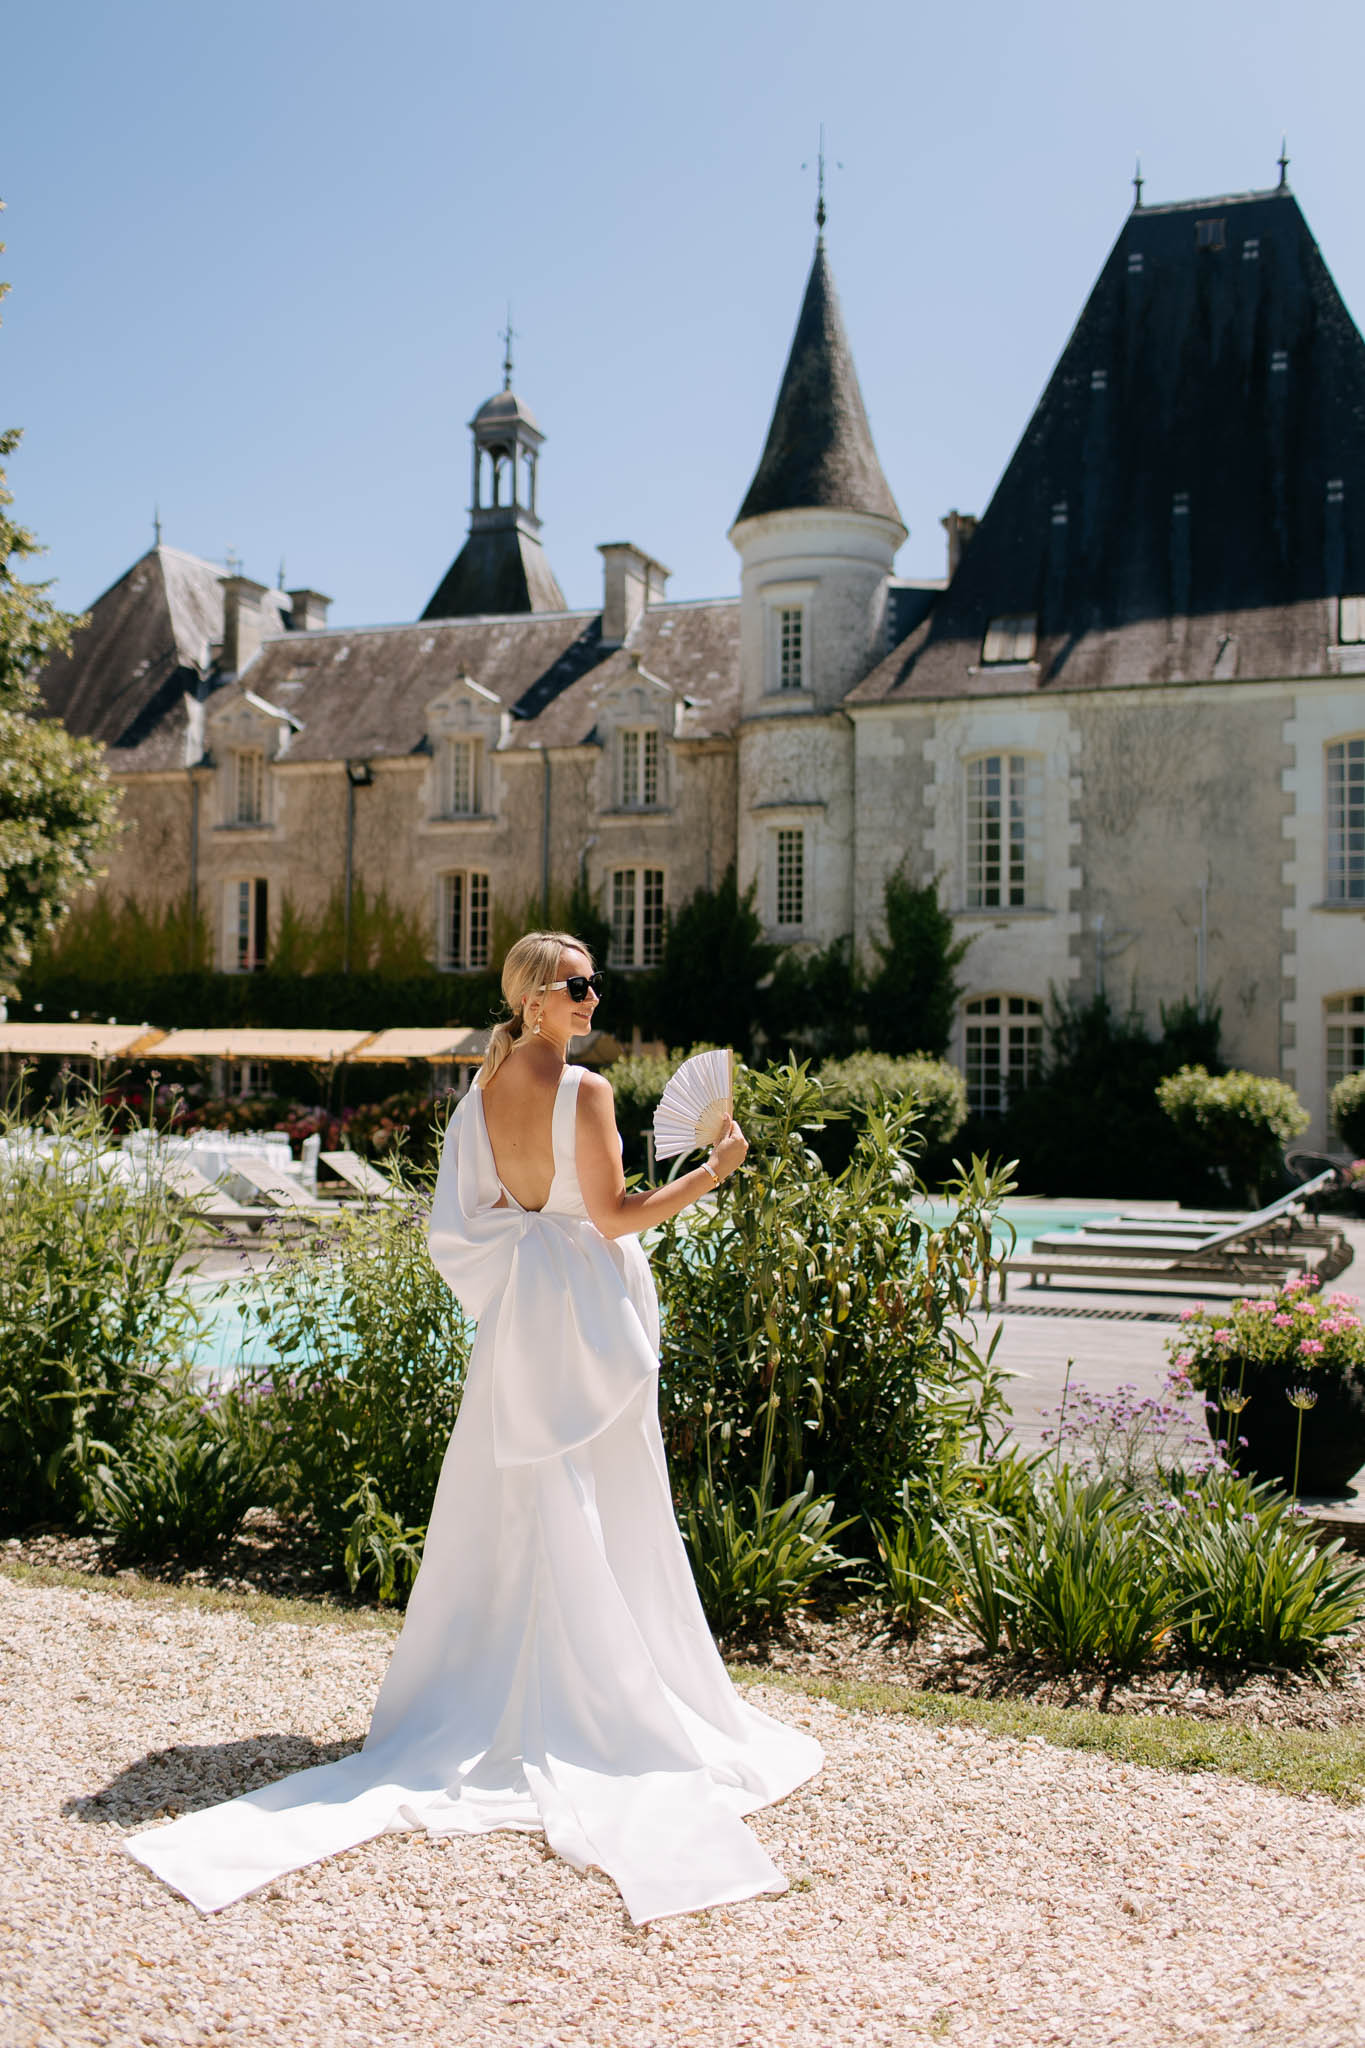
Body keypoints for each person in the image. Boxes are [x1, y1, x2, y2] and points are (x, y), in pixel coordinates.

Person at [127, 931, 822, 1923]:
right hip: (585, 1313)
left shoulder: (481, 1093)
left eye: (594, 982)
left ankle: (500, 1685)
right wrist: (715, 1169)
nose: (593, 996)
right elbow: (617, 1215)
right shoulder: (584, 1092)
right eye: (577, 984)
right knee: (596, 1497)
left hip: (522, 1324)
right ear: (538, 999)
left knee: (518, 1500)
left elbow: (468, 1223)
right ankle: (595, 1699)